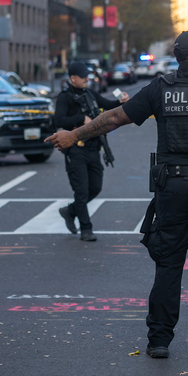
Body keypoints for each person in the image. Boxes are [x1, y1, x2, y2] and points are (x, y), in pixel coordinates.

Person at [46, 30, 188, 361]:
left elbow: (114, 118)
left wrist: (73, 136)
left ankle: (159, 340)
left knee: (168, 264)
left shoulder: (161, 88)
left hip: (171, 189)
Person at [54, 60, 129, 241]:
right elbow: (58, 121)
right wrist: (81, 118)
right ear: (73, 78)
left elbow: (107, 105)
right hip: (76, 150)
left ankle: (70, 211)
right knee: (81, 191)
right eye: (83, 77)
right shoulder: (65, 97)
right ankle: (86, 229)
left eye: (87, 75)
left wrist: (121, 102)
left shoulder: (90, 93)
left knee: (95, 187)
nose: (87, 79)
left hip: (94, 148)